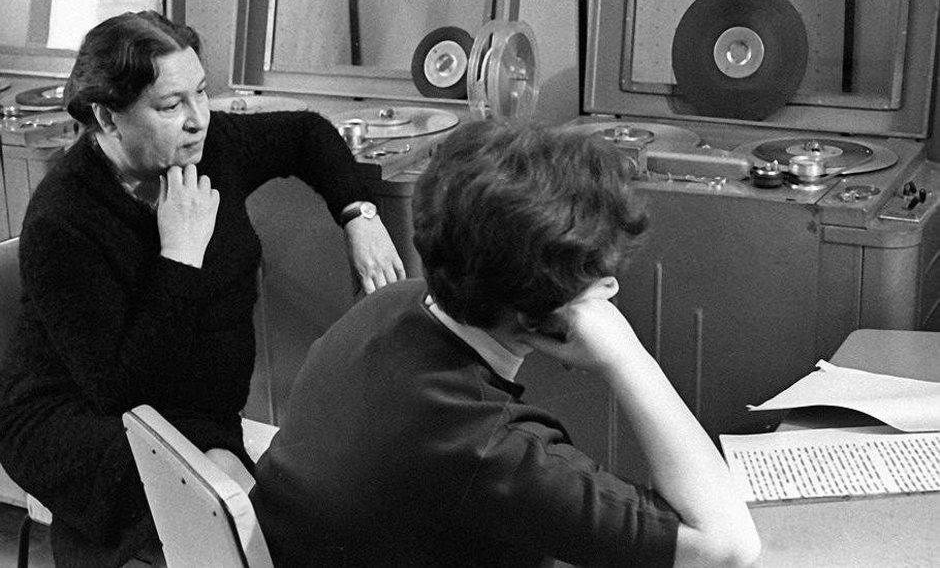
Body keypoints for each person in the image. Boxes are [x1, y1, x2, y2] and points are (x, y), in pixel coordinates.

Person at [250, 119, 762, 567]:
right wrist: (628, 358)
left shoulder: (384, 308)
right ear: (547, 311)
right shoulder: (488, 448)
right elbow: (728, 548)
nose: (612, 289)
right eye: (601, 282)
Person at [0, 10, 404, 567]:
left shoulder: (207, 146)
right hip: (84, 421)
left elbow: (306, 134)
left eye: (202, 92)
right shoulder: (63, 221)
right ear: (108, 118)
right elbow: (121, 390)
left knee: (303, 514)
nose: (199, 120)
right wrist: (180, 256)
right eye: (171, 106)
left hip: (192, 402)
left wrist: (358, 214)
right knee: (243, 524)